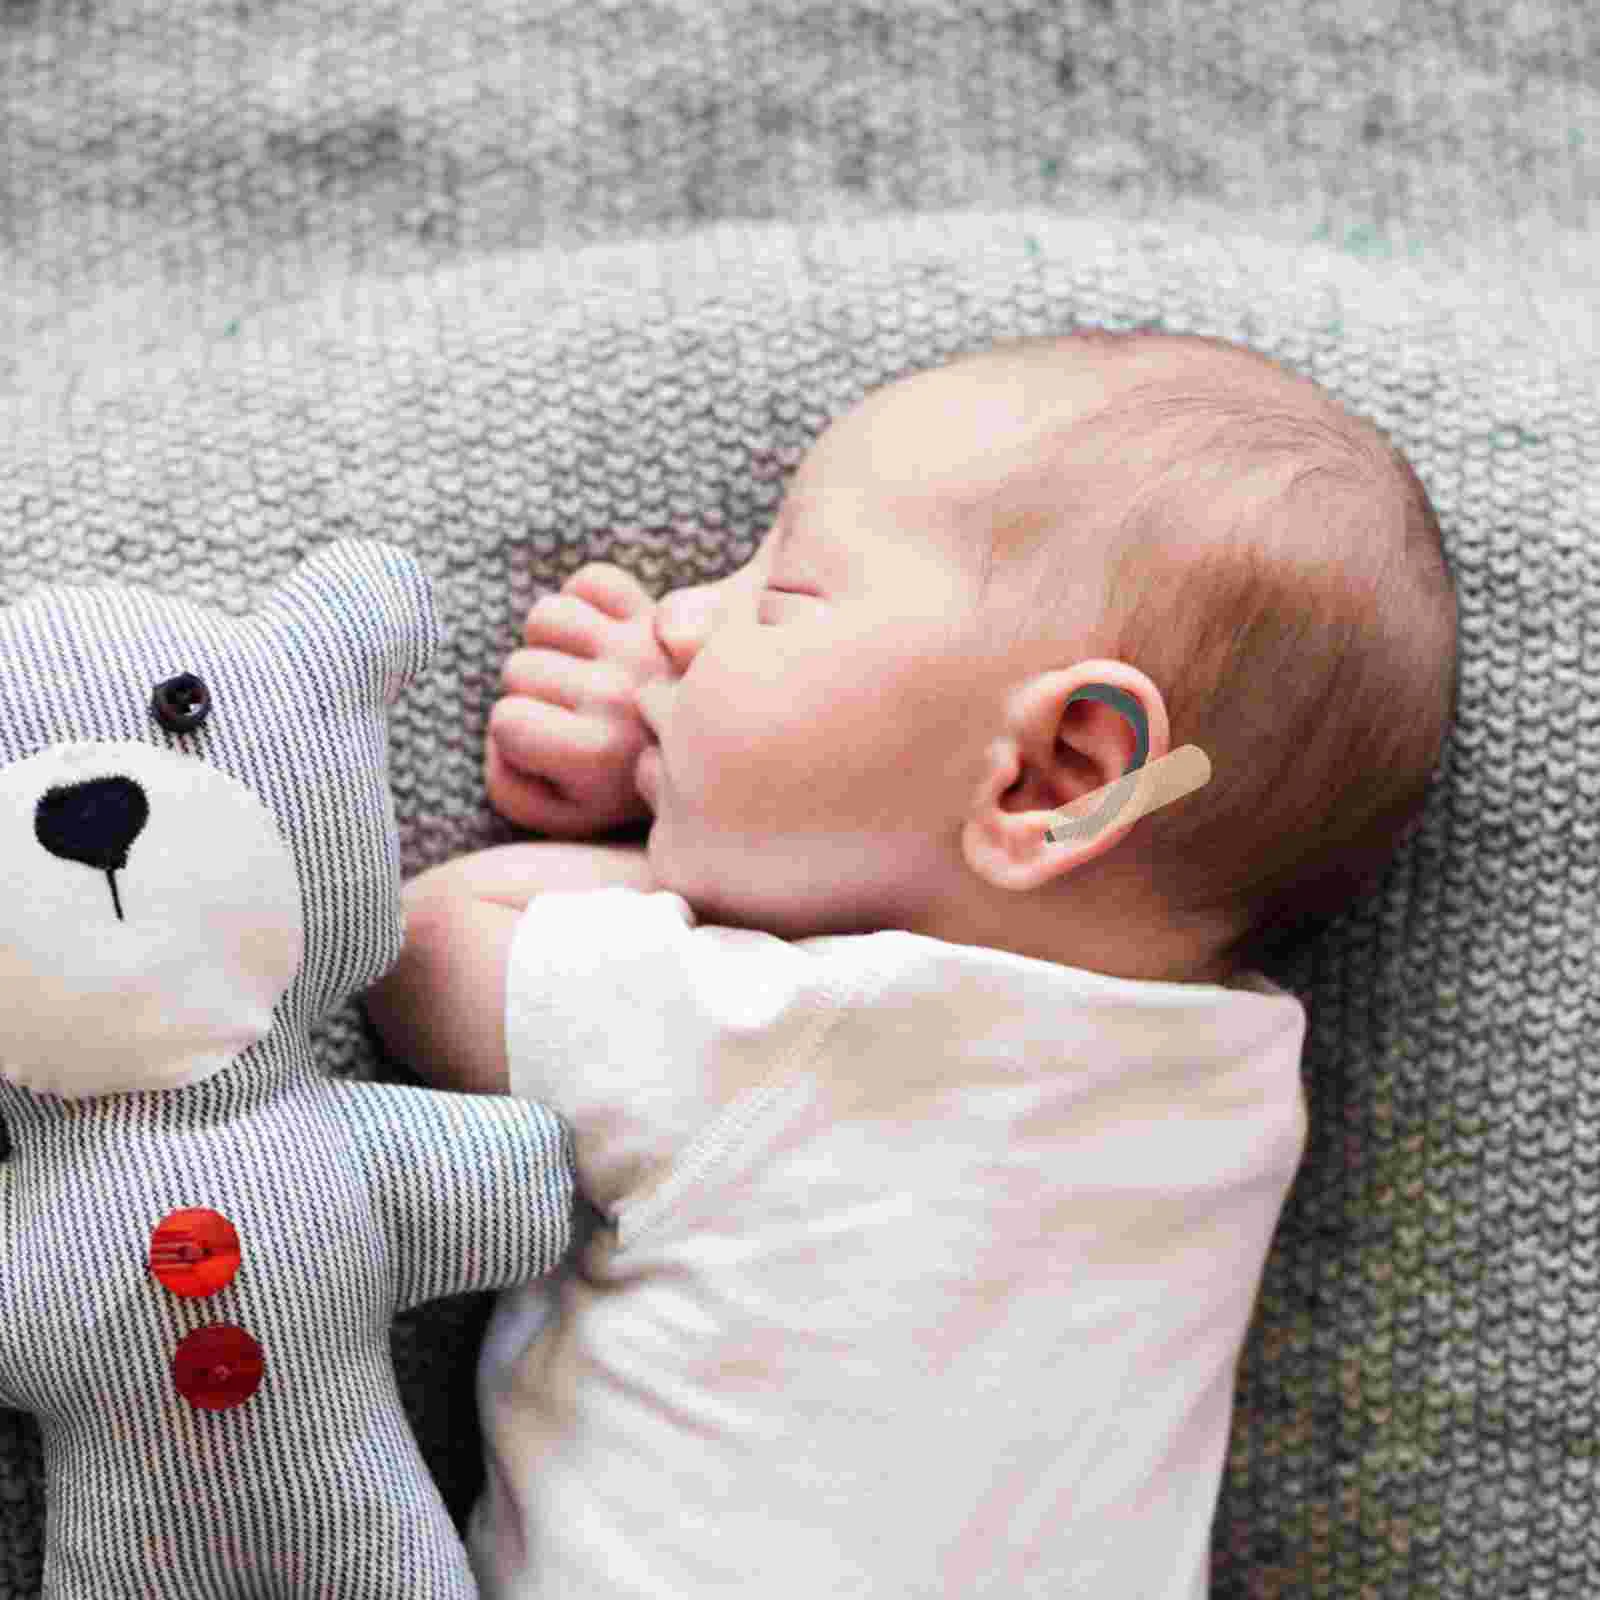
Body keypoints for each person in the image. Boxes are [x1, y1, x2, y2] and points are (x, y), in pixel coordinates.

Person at [362, 326, 1458, 1597]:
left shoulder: (781, 1028)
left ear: (1058, 775)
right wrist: (704, 769)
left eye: (782, 592)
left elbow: (423, 942)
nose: (683, 621)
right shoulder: (1237, 1088)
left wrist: (650, 810)